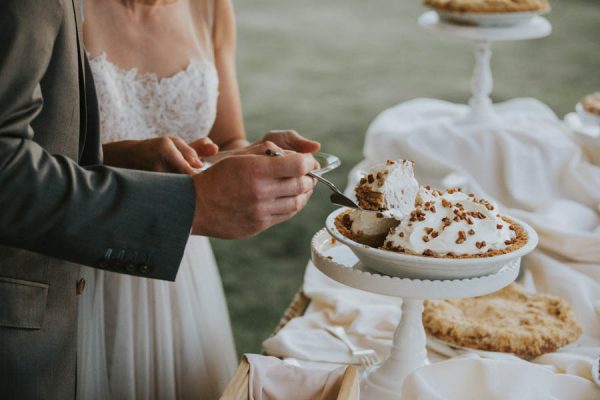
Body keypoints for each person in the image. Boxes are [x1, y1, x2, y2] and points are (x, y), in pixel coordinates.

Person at [0, 0, 318, 398]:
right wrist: (158, 184)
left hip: (184, 270)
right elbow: (28, 152)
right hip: (85, 262)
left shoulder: (212, 6)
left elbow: (225, 140)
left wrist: (255, 160)